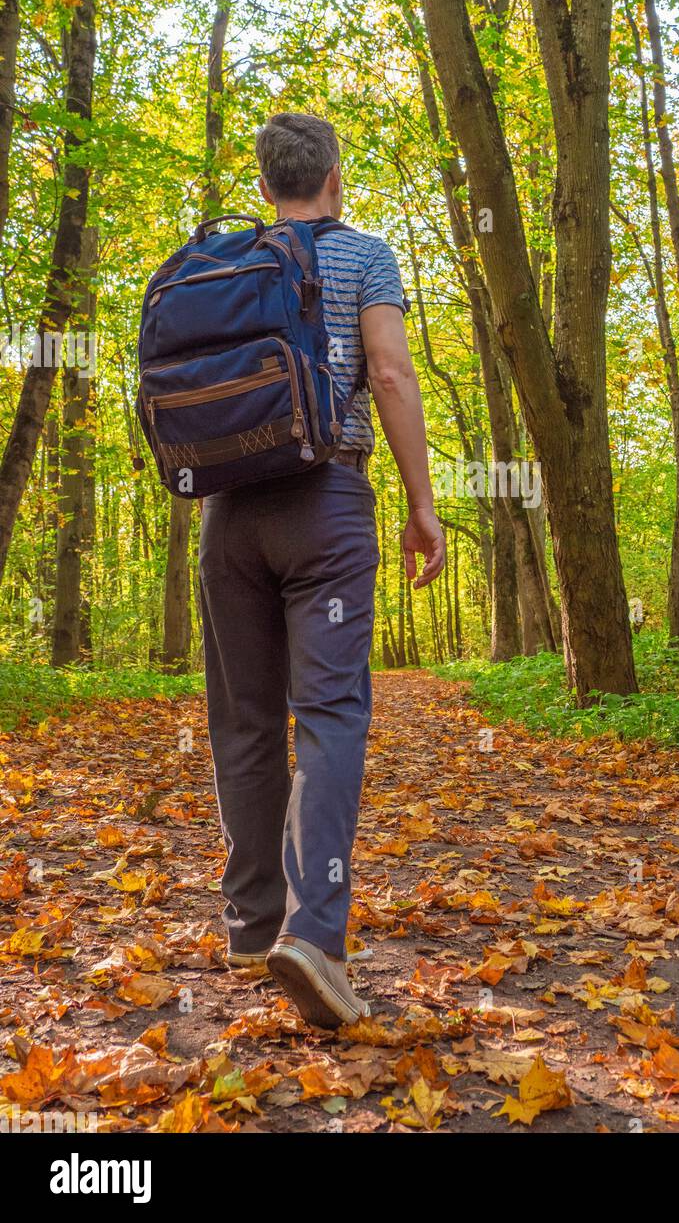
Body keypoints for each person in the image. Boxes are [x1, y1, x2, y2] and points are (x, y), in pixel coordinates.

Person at [198, 112, 445, 1028]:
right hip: (326, 506)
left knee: (246, 720)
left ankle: (254, 926)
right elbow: (388, 374)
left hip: (226, 513)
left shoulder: (227, 261)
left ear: (265, 186)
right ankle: (316, 935)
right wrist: (422, 506)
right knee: (331, 714)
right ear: (334, 176)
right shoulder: (366, 257)